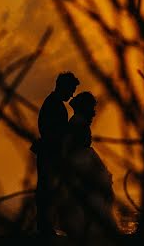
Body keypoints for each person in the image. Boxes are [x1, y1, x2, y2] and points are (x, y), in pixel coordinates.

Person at [58, 91, 116, 237]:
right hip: (81, 160)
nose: (94, 112)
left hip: (82, 159)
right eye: (91, 108)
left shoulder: (77, 121)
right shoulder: (77, 123)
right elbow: (69, 144)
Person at [33, 71, 79, 235]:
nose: (72, 94)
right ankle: (44, 226)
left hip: (49, 152)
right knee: (47, 189)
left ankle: (45, 225)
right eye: (71, 90)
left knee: (47, 189)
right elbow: (52, 132)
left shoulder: (52, 103)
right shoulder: (54, 105)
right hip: (49, 153)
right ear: (63, 87)